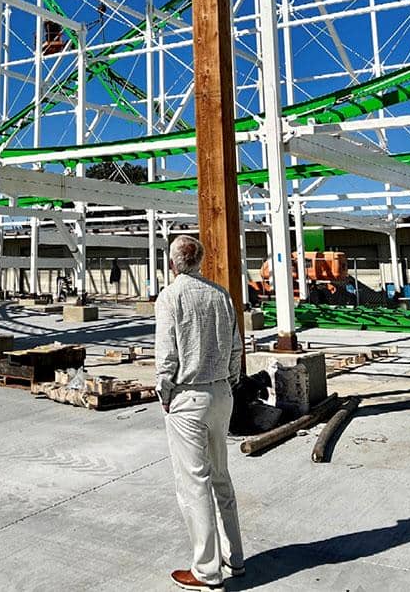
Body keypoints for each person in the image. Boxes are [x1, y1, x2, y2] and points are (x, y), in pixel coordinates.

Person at [155, 235, 245, 590]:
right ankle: (234, 557)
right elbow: (237, 347)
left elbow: (166, 356)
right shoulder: (221, 295)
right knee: (221, 475)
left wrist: (165, 393)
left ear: (174, 263)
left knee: (194, 484)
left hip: (188, 398)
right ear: (201, 261)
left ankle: (206, 572)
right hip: (222, 393)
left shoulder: (170, 297)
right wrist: (229, 382)